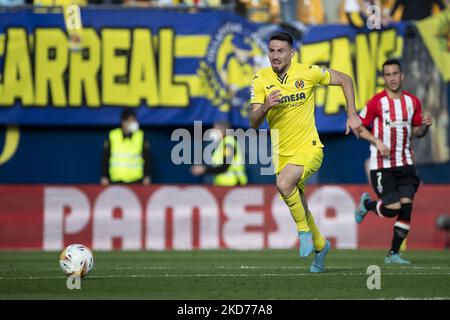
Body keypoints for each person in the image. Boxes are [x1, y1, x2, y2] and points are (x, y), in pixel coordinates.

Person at [249, 32, 362, 273]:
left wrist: (352, 114)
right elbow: (253, 122)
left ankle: (302, 233)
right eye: (271, 51)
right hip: (282, 155)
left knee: (283, 183)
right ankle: (321, 246)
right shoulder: (260, 79)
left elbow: (346, 79)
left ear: (291, 53)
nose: (275, 55)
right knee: (297, 199)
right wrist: (266, 106)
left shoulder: (308, 72)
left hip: (310, 148)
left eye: (281, 51)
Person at [354, 59, 433, 264]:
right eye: (388, 75)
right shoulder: (376, 102)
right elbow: (358, 127)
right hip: (382, 165)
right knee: (393, 208)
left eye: (395, 74)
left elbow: (417, 132)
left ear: (402, 75)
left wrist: (425, 126)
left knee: (406, 207)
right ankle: (368, 204)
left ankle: (393, 254)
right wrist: (377, 141)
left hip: (405, 162)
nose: (392, 78)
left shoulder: (412, 102)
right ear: (384, 78)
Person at [101, 109, 151, 186]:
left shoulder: (140, 136)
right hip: (116, 182)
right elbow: (105, 158)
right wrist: (104, 176)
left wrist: (147, 176)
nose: (134, 123)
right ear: (123, 122)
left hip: (136, 182)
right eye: (131, 121)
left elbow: (147, 158)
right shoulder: (113, 135)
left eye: (134, 121)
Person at [190, 120, 248, 186]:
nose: (212, 132)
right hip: (223, 184)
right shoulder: (221, 143)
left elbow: (224, 167)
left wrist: (204, 169)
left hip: (234, 184)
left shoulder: (229, 144)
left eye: (215, 129)